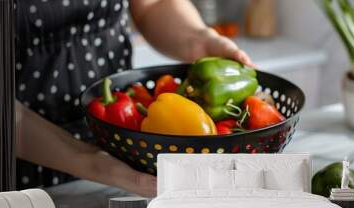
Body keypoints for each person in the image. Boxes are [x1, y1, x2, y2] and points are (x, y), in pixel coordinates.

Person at [15, 0, 252, 197]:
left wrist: (199, 40)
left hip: (123, 139)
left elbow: (152, 4)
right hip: (21, 162)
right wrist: (92, 162)